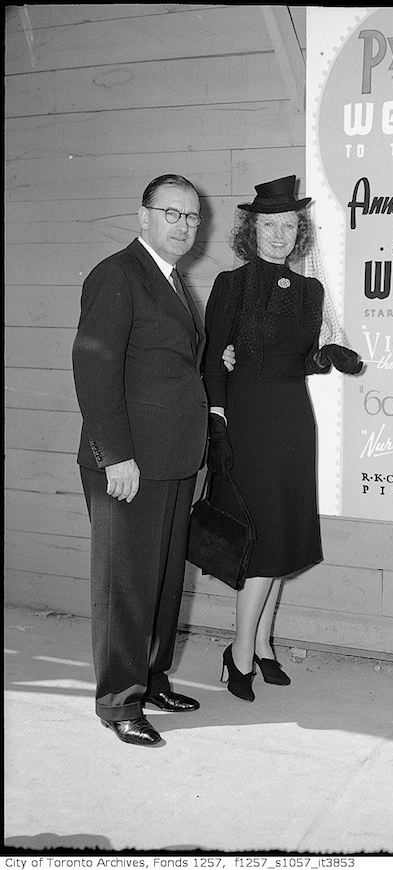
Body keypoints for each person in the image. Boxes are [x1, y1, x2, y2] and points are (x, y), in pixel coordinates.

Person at [72, 174, 230, 746]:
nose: (184, 225)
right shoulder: (116, 275)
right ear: (144, 218)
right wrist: (115, 456)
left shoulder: (170, 278)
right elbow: (94, 370)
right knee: (126, 586)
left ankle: (152, 678)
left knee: (163, 583)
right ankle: (119, 702)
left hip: (172, 461)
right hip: (129, 465)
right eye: (172, 214)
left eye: (191, 217)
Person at [203, 175, 362, 702]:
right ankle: (239, 654)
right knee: (261, 541)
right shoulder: (232, 284)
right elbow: (213, 360)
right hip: (248, 422)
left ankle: (264, 646)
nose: (279, 234)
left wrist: (326, 358)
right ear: (253, 229)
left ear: (300, 232)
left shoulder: (311, 291)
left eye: (289, 225)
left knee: (283, 538)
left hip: (294, 420)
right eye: (269, 225)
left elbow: (298, 362)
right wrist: (218, 422)